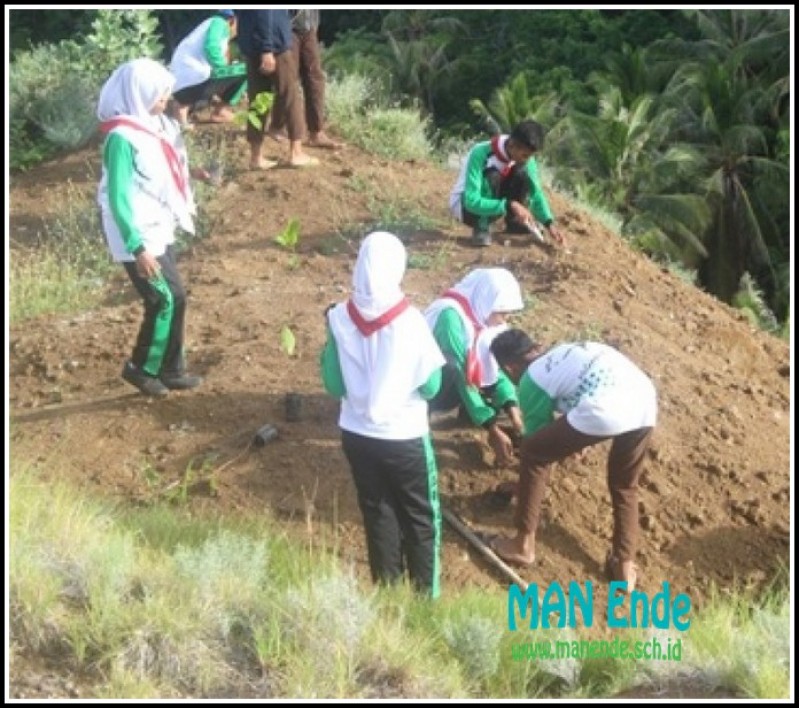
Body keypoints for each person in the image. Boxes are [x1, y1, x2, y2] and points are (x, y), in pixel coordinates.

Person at [320, 231, 446, 597]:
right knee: (421, 518)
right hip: (404, 435)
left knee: (378, 514)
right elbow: (432, 387)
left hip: (357, 434)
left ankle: (388, 596)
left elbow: (333, 384)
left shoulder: (339, 317)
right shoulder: (410, 322)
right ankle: (426, 600)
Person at [489, 329, 658, 592]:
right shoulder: (559, 355)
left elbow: (537, 451)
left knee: (534, 454)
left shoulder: (530, 381)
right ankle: (623, 566)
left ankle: (522, 546)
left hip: (606, 406)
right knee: (625, 485)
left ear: (510, 367)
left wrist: (524, 483)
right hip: (644, 400)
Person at [97, 58, 204, 397]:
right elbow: (118, 197)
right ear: (139, 93)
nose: (166, 100)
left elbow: (162, 169)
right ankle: (141, 369)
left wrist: (195, 175)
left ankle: (171, 369)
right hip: (137, 233)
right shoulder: (121, 138)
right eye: (159, 94)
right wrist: (137, 247)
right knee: (163, 299)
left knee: (177, 297)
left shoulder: (152, 126)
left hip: (158, 227)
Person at [424, 268, 525, 467]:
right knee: (452, 366)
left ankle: (472, 414)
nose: (504, 320)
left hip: (459, 381)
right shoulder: (450, 318)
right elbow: (461, 375)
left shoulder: (485, 319)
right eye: (502, 313)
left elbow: (497, 367)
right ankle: (423, 419)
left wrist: (513, 411)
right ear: (487, 302)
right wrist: (491, 428)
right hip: (431, 386)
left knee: (495, 373)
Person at [449, 119, 565, 248]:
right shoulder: (480, 153)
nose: (528, 160)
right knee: (493, 175)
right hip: (465, 208)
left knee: (522, 173)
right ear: (511, 145)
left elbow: (535, 193)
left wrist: (549, 224)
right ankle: (481, 227)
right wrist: (510, 205)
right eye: (525, 155)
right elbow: (471, 200)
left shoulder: (526, 160)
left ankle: (515, 223)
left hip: (496, 204)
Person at [236, 9, 319, 169]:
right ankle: (297, 153)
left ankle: (256, 157)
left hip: (253, 46)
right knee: (290, 95)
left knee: (258, 100)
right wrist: (267, 49)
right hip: (274, 46)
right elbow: (265, 12)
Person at [267, 9, 342, 149]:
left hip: (308, 26)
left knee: (315, 77)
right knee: (288, 77)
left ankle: (316, 132)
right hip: (288, 27)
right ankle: (277, 126)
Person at [169, 9, 247, 129]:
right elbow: (211, 47)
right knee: (245, 71)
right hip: (190, 70)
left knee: (237, 70)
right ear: (232, 20)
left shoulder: (214, 25)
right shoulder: (219, 23)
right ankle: (218, 109)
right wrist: (224, 68)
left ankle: (220, 110)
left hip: (189, 71)